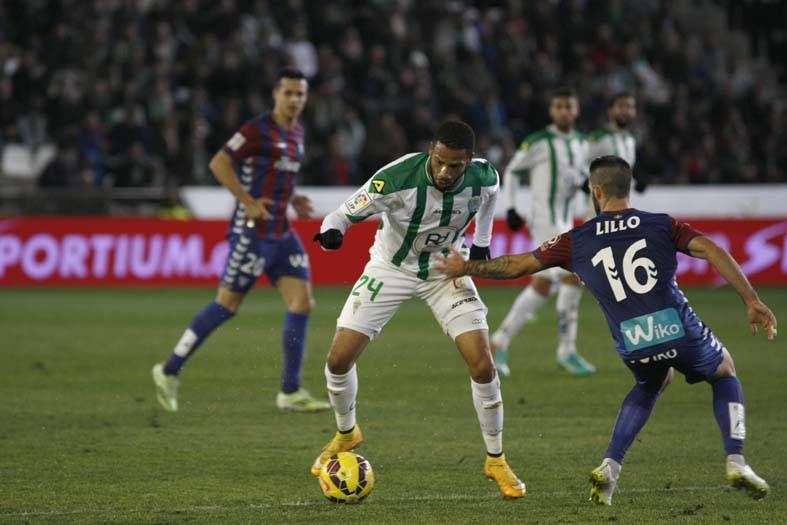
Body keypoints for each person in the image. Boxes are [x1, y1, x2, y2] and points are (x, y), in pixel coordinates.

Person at [436, 155, 778, 505]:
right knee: (724, 371)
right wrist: (751, 300)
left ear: (595, 191)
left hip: (634, 340)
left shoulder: (577, 238)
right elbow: (713, 249)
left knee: (652, 382)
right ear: (626, 187)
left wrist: (468, 266)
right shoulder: (662, 224)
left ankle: (610, 466)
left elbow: (516, 265)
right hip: (678, 328)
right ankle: (736, 460)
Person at [310, 120, 526, 499]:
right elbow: (343, 213)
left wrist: (481, 244)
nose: (444, 172)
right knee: (338, 360)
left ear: (469, 160)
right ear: (431, 151)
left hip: (446, 270)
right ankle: (347, 431)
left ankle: (496, 458)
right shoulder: (397, 178)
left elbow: (493, 193)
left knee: (482, 362)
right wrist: (333, 233)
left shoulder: (484, 176)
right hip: (390, 268)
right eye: (439, 162)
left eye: (455, 166)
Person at [151, 68, 330, 413]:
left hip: (282, 232)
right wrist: (248, 202)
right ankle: (169, 369)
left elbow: (278, 177)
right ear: (276, 95)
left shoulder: (298, 134)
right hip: (252, 233)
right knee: (226, 306)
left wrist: (293, 200)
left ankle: (290, 391)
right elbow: (219, 163)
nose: (295, 99)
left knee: (302, 303)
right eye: (289, 93)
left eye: (301, 94)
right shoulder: (256, 130)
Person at [496, 87, 594, 377]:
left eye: (569, 106)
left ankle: (499, 340)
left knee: (542, 285)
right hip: (544, 221)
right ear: (552, 111)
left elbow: (577, 180)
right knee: (574, 275)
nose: (564, 111)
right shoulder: (539, 142)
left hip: (566, 221)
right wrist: (511, 207)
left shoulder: (580, 143)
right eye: (559, 106)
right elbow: (512, 171)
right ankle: (566, 350)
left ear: (576, 111)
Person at [585, 92, 642, 219]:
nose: (626, 111)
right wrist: (585, 180)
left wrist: (636, 181)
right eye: (621, 106)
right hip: (598, 211)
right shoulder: (599, 138)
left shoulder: (630, 140)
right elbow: (580, 162)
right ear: (610, 111)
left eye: (630, 107)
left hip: (622, 210)